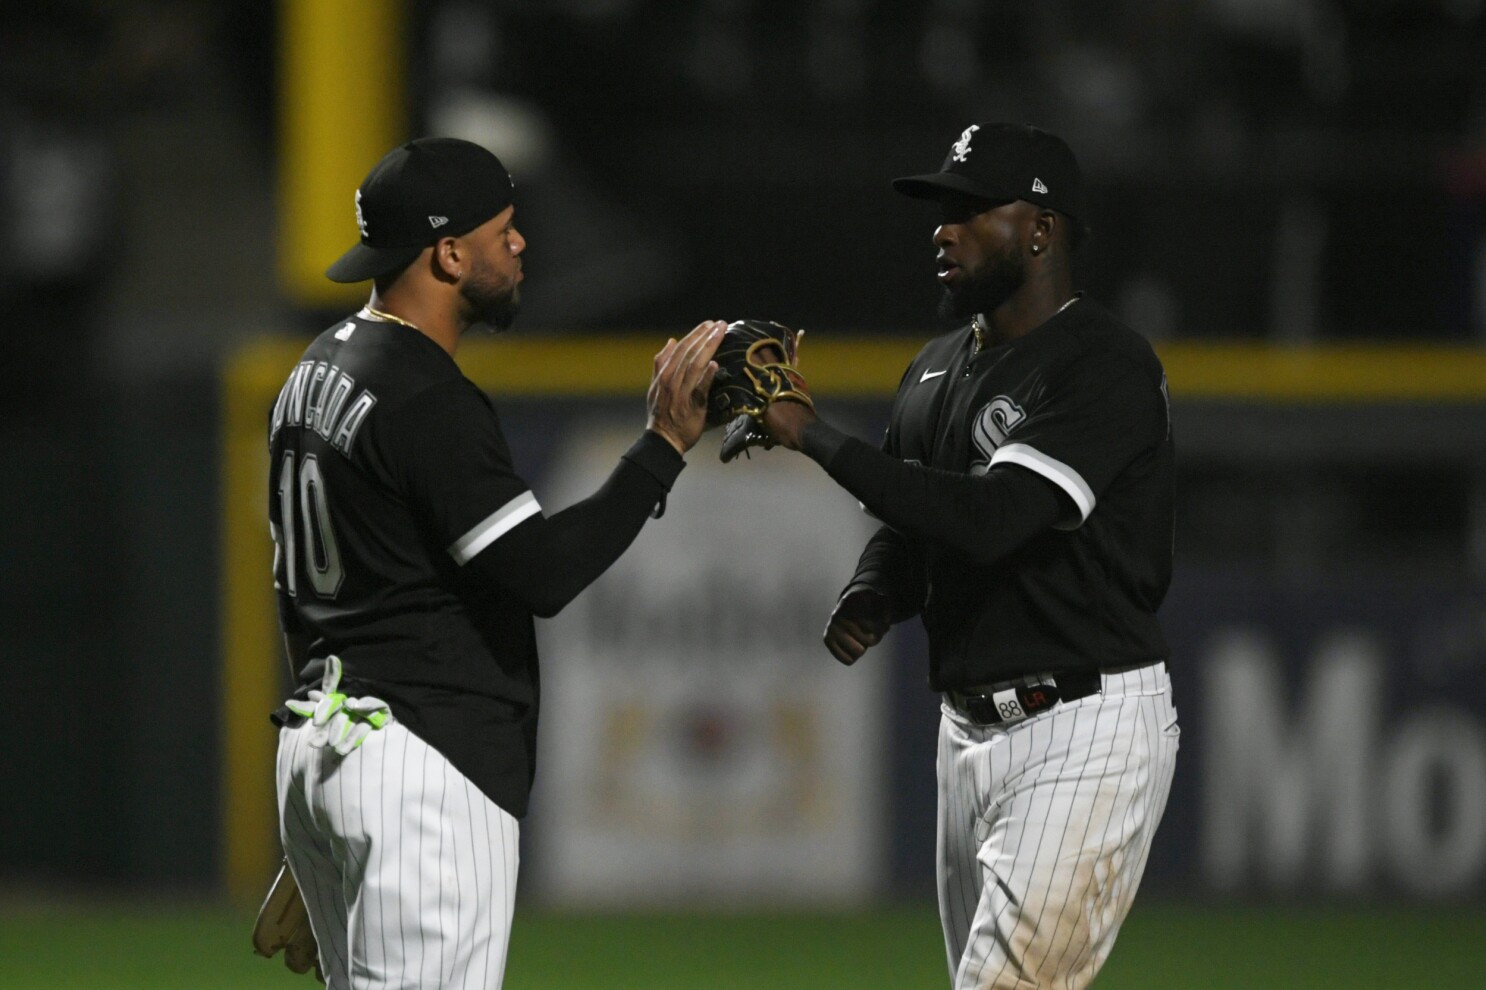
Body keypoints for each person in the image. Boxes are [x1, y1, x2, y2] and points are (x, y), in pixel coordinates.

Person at [267, 136, 723, 989]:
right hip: (418, 761)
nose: (518, 246)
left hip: (325, 742)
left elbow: (308, 591)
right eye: (501, 230)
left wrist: (331, 809)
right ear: (447, 253)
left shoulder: (315, 368)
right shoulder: (423, 392)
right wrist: (663, 446)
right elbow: (543, 573)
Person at [759, 123, 1179, 989]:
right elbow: (925, 517)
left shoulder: (1101, 364)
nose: (943, 229)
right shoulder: (934, 368)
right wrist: (880, 584)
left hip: (1081, 725)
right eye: (940, 209)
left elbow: (994, 518)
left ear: (1040, 228)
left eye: (970, 209)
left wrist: (811, 436)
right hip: (965, 733)